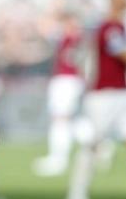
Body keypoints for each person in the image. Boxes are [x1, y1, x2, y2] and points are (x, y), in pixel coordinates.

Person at [68, 0, 126, 199]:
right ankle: (77, 193)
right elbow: (123, 54)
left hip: (123, 94)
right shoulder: (109, 27)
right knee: (93, 145)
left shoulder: (118, 26)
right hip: (104, 95)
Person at [33, 10, 86, 176]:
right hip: (70, 81)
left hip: (67, 81)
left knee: (60, 119)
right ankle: (97, 145)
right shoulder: (74, 40)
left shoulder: (72, 39)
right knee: (70, 119)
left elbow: (43, 28)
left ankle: (59, 160)